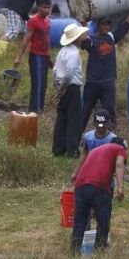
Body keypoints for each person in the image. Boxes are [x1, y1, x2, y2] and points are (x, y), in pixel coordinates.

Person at [81, 7, 129, 131]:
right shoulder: (92, 40)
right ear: (98, 26)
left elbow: (127, 24)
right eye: (103, 24)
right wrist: (84, 24)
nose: (106, 27)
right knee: (85, 110)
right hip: (92, 83)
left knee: (110, 111)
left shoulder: (111, 37)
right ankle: (77, 135)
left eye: (108, 24)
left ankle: (111, 135)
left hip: (108, 82)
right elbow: (83, 39)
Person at [70, 138, 127, 255]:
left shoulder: (96, 150)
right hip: (99, 187)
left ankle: (74, 252)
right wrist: (120, 187)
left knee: (80, 221)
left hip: (80, 186)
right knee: (103, 222)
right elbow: (119, 164)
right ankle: (99, 252)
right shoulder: (120, 149)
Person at [53, 23, 90, 158]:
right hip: (71, 87)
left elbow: (55, 71)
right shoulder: (74, 54)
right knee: (74, 119)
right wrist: (63, 88)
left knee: (62, 118)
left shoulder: (62, 52)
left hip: (62, 85)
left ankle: (58, 148)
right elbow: (69, 74)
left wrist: (58, 87)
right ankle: (72, 150)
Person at [14, 0, 53, 113]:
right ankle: (34, 111)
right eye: (44, 7)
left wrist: (49, 57)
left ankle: (40, 108)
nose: (46, 10)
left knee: (43, 84)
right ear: (38, 7)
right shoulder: (33, 21)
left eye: (48, 8)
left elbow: (47, 40)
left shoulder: (48, 20)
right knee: (37, 83)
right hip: (36, 56)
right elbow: (26, 40)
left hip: (44, 55)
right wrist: (18, 57)